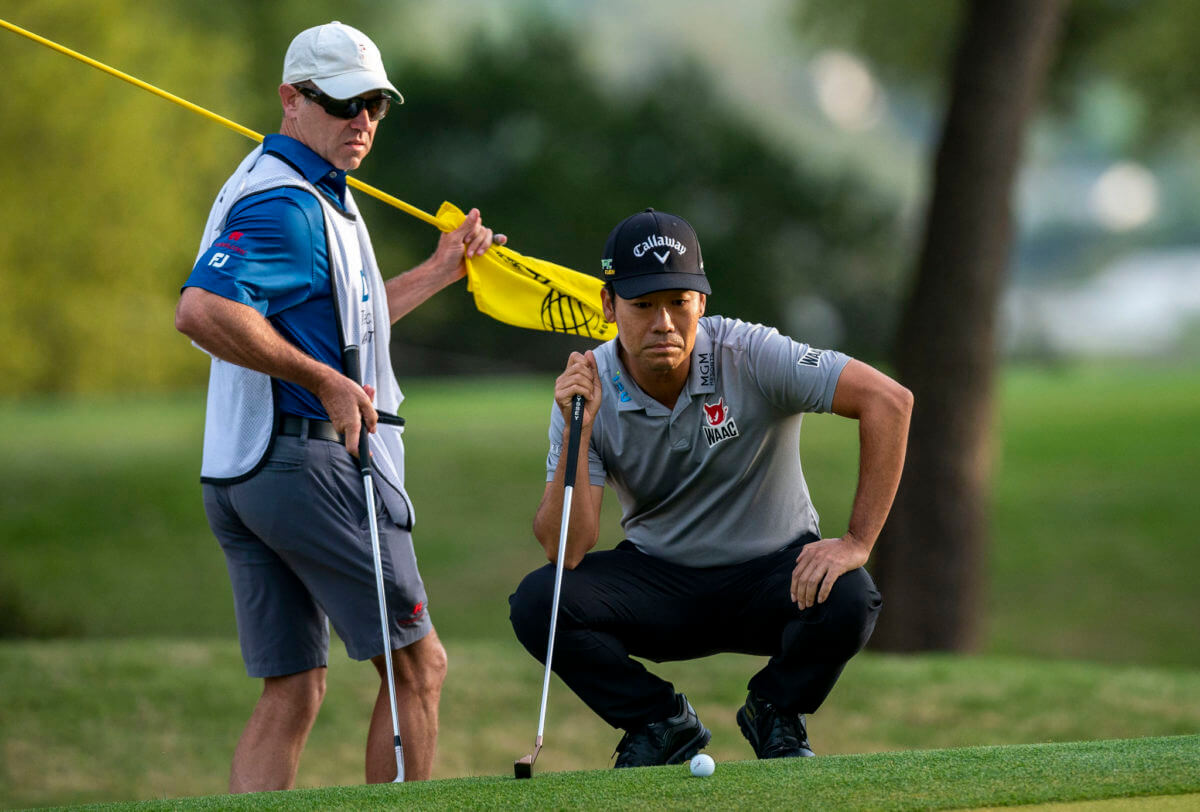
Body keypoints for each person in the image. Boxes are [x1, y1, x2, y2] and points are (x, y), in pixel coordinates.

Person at [174, 22, 504, 790]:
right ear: (291, 99)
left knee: (294, 687)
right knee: (418, 665)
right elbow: (200, 311)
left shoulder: (312, 192)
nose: (362, 122)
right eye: (344, 103)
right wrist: (321, 380)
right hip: (305, 462)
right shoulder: (287, 204)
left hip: (242, 471)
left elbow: (349, 321)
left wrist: (437, 271)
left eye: (377, 107)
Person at [509, 209, 912, 768]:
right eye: (643, 305)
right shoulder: (585, 388)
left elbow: (889, 401)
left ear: (702, 300)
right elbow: (566, 548)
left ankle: (775, 710)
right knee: (539, 602)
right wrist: (579, 429)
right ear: (609, 306)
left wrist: (856, 541)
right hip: (661, 582)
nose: (664, 323)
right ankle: (659, 722)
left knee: (850, 594)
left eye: (679, 301)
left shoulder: (750, 353)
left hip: (774, 579)